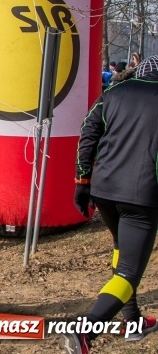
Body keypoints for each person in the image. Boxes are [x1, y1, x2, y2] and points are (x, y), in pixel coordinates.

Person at [62, 55, 158, 353]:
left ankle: (132, 321)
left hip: (104, 189)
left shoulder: (113, 92)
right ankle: (85, 330)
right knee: (129, 271)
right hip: (142, 194)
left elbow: (88, 132)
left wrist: (82, 180)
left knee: (122, 249)